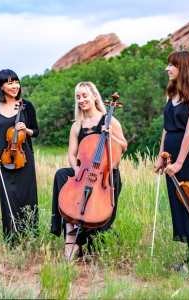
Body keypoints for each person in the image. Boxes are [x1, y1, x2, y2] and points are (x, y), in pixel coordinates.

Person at [51, 81, 128, 260]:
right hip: (84, 171)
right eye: (78, 97)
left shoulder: (109, 120)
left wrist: (111, 134)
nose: (81, 100)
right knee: (61, 175)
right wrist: (78, 170)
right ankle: (71, 238)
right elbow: (72, 154)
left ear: (95, 96)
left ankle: (88, 239)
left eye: (85, 96)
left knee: (98, 226)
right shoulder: (77, 124)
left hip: (105, 176)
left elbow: (123, 146)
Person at [154, 50, 189, 267]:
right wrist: (162, 158)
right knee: (181, 203)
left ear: (184, 67)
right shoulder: (171, 93)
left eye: (171, 65)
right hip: (171, 155)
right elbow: (166, 129)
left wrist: (179, 162)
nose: (167, 69)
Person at [0, 69, 39, 244]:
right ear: (1, 86)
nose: (15, 86)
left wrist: (26, 129)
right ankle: (11, 238)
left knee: (27, 196)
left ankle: (29, 236)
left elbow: (36, 132)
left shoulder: (27, 105)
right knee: (8, 197)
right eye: (9, 83)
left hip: (24, 159)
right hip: (3, 159)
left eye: (16, 82)